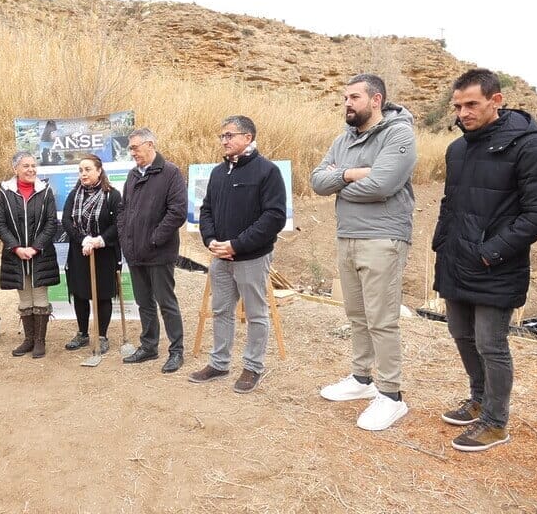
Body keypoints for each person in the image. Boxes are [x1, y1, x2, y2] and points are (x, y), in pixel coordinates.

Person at [433, 68, 537, 452]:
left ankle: (495, 422)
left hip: (495, 264)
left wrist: (492, 252)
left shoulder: (528, 145)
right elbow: (450, 203)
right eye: (458, 106)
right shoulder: (457, 148)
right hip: (456, 258)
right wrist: (442, 241)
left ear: (496, 101)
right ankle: (478, 399)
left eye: (472, 104)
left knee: (491, 344)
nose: (463, 112)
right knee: (461, 334)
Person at [310, 73, 416, 431]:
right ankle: (362, 379)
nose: (347, 103)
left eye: (354, 97)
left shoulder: (399, 132)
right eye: (344, 98)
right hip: (348, 236)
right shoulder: (344, 139)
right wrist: (354, 175)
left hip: (383, 237)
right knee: (356, 314)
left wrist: (339, 182)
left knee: (381, 319)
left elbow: (385, 183)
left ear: (376, 100)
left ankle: (391, 395)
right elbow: (317, 181)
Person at [188, 116, 286, 393]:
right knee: (221, 311)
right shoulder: (218, 173)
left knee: (256, 314)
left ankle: (252, 367)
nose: (225, 141)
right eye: (222, 136)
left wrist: (237, 245)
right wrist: (211, 241)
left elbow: (274, 217)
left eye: (230, 135)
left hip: (251, 257)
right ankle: (219, 363)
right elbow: (205, 210)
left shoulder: (267, 171)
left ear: (249, 137)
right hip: (220, 257)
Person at [117, 127, 187, 373]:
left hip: (159, 252)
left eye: (135, 147)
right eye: (131, 149)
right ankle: (149, 346)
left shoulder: (170, 173)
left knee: (166, 302)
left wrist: (155, 239)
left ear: (150, 145)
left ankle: (176, 351)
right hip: (135, 253)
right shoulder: (132, 175)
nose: (132, 152)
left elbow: (177, 211)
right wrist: (125, 238)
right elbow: (124, 209)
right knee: (143, 302)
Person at [0, 151, 59, 358]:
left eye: (33, 165)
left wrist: (35, 247)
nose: (31, 169)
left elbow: (51, 223)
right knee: (24, 298)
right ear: (16, 169)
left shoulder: (45, 191)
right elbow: (0, 224)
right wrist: (16, 247)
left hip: (41, 254)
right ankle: (28, 339)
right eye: (26, 166)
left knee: (40, 295)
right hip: (16, 255)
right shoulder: (4, 193)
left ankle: (40, 341)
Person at [61, 154, 122, 353]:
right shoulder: (74, 194)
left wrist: (99, 240)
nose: (83, 174)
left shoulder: (111, 195)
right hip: (80, 252)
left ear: (99, 171)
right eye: (80, 170)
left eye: (87, 169)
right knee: (80, 293)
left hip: (104, 253)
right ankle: (82, 334)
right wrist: (83, 239)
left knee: (103, 295)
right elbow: (67, 222)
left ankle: (102, 335)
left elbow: (118, 224)